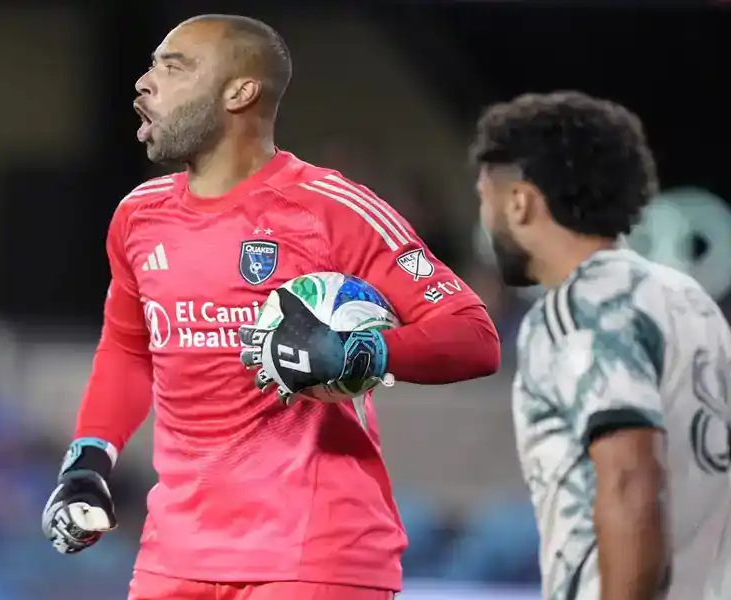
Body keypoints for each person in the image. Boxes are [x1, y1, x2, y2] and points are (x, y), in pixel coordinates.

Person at [42, 14, 501, 600]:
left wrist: (361, 350)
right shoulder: (139, 216)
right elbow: (130, 348)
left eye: (173, 67)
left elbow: (474, 336)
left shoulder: (334, 210)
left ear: (241, 91)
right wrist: (87, 463)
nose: (144, 83)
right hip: (174, 557)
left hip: (313, 553)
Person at [472, 90, 731, 600]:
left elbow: (631, 478)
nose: (485, 220)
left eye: (485, 198)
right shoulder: (691, 302)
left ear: (520, 201)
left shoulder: (580, 311)